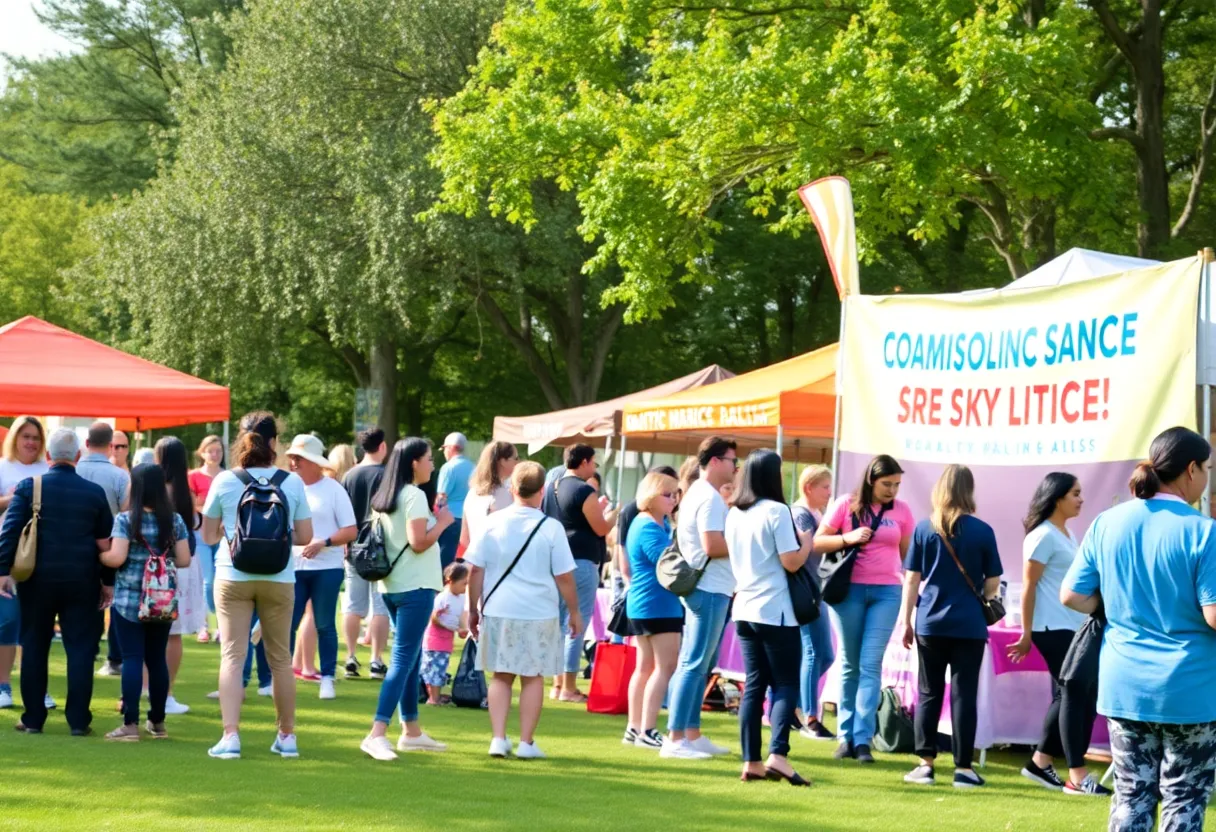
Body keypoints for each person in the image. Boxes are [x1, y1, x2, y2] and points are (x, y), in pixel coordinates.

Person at [1062, 426, 1216, 828]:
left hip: (1125, 683)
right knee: (1183, 797)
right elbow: (1213, 613)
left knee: (1130, 795)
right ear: (1190, 470)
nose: (1207, 477)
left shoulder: (1107, 522)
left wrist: (1115, 606)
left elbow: (1072, 596)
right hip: (1190, 687)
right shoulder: (1203, 531)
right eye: (1208, 468)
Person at [201, 411, 313, 760]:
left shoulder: (224, 480)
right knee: (280, 659)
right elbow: (306, 536)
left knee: (233, 655)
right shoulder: (292, 482)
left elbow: (206, 534)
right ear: (275, 444)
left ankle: (231, 736)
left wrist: (231, 533)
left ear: (240, 441)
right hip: (279, 577)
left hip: (232, 575)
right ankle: (287, 736)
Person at [465, 461, 582, 759]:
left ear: (513, 489)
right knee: (532, 677)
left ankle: (498, 738)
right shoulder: (551, 527)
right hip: (539, 610)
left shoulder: (492, 522)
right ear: (541, 491)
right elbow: (565, 576)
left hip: (499, 606)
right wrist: (575, 611)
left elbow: (475, 569)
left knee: (501, 676)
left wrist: (472, 609)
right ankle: (527, 742)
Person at [0, 428, 113, 736]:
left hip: (37, 580)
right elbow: (106, 545)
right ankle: (78, 721)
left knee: (34, 646)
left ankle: (33, 718)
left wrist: (2, 572)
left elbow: (9, 532)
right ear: (78, 456)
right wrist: (108, 582)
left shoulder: (29, 486)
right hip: (82, 581)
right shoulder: (94, 492)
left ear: (48, 456)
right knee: (80, 649)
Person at [897, 465, 1002, 789]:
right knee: (963, 694)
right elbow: (993, 583)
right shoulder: (983, 530)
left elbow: (912, 578)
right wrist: (978, 595)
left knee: (928, 693)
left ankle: (925, 764)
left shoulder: (924, 529)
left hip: (930, 620)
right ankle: (964, 768)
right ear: (968, 490)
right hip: (969, 624)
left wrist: (905, 620)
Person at [1008, 473, 1108, 795]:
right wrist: (1026, 633)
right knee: (1074, 694)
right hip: (1050, 628)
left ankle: (1039, 762)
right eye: (1075, 494)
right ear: (1057, 497)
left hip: (1072, 625)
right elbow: (1029, 587)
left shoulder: (1066, 533)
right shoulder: (1042, 536)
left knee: (1073, 695)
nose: (1081, 499)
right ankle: (1077, 775)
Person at [815, 454, 915, 763]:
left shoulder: (902, 511)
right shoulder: (846, 504)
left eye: (897, 485)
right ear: (872, 479)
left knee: (871, 664)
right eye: (887, 484)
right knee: (849, 663)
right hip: (848, 591)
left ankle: (862, 739)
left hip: (887, 592)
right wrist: (848, 537)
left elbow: (906, 556)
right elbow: (818, 542)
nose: (893, 491)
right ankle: (845, 735)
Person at [360, 437, 454, 761]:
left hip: (393, 586)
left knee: (411, 659)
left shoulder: (387, 494)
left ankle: (411, 730)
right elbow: (417, 542)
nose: (432, 464)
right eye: (428, 458)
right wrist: (441, 523)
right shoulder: (413, 494)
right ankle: (377, 732)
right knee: (402, 661)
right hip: (414, 588)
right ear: (414, 462)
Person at [727, 449, 813, 786]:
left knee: (753, 686)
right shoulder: (777, 511)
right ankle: (778, 754)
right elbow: (791, 561)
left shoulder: (734, 512)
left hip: (744, 607)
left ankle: (752, 760)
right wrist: (807, 543)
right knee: (786, 683)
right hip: (774, 609)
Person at [101, 463, 192, 741]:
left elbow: (116, 558)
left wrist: (101, 555)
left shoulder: (127, 520)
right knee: (156, 660)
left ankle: (130, 725)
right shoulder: (174, 520)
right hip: (161, 601)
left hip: (130, 600)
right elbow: (185, 559)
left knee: (131, 659)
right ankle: (158, 722)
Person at [622, 471, 704, 757]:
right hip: (656, 603)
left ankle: (636, 727)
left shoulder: (648, 523)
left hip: (647, 602)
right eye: (668, 495)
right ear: (652, 496)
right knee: (664, 667)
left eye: (675, 495)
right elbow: (668, 563)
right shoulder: (649, 527)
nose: (673, 500)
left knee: (645, 667)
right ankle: (646, 729)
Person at [666, 437, 737, 756]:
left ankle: (690, 733)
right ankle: (676, 737)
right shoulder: (707, 497)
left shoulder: (700, 493)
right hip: (708, 587)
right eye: (733, 460)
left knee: (697, 663)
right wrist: (743, 541)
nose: (736, 466)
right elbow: (713, 546)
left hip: (708, 587)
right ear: (716, 461)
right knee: (694, 664)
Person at [285, 434, 357, 701]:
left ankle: (327, 677)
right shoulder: (288, 487)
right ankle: (282, 677)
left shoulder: (333, 489)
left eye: (299, 459)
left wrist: (323, 542)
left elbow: (350, 530)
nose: (293, 463)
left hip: (327, 567)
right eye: (292, 458)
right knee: (288, 624)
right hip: (293, 566)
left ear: (315, 462)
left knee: (325, 623)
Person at [542, 443, 612, 702]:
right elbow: (601, 527)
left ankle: (558, 683)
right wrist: (614, 516)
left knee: (560, 622)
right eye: (593, 463)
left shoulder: (552, 487)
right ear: (583, 462)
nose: (594, 468)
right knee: (576, 622)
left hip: (556, 559)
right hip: (581, 561)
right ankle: (569, 687)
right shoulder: (584, 490)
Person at [0, 416, 49, 711]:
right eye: (25, 436)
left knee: (37, 626)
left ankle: (37, 688)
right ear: (15, 438)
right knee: (7, 622)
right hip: (7, 556)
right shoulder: (3, 467)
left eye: (35, 437)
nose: (30, 442)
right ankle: (3, 685)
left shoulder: (47, 470)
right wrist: (14, 497)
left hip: (40, 557)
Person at [155, 437, 204, 716]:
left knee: (151, 632)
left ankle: (146, 690)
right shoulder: (186, 492)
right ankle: (168, 692)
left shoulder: (155, 488)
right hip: (184, 563)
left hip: (156, 564)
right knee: (173, 635)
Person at [78, 421, 131, 678]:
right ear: (110, 446)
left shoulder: (74, 469)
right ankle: (111, 658)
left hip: (74, 547)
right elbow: (126, 515)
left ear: (87, 443)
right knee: (110, 604)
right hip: (109, 549)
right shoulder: (121, 476)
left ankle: (83, 655)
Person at [341, 428, 389, 680]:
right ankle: (376, 659)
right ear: (382, 446)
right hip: (381, 547)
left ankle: (350, 656)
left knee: (353, 603)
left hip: (353, 545)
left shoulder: (350, 475)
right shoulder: (387, 476)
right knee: (380, 606)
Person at [792, 464, 835, 740]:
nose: (829, 493)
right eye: (825, 487)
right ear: (809, 488)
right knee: (812, 653)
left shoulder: (815, 514)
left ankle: (792, 706)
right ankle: (809, 716)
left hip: (817, 593)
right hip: (806, 593)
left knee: (824, 655)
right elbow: (806, 552)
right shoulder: (801, 515)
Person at [189, 434, 224, 644]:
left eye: (218, 450)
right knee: (207, 581)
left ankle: (221, 626)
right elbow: (192, 503)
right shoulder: (193, 476)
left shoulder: (227, 476)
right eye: (211, 450)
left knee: (222, 581)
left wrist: (206, 507)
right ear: (202, 453)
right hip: (201, 532)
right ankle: (203, 625)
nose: (215, 454)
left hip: (222, 533)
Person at [422, 562, 470, 705]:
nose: (465, 587)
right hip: (434, 640)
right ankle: (433, 698)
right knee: (433, 669)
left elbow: (462, 615)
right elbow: (434, 618)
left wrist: (463, 628)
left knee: (441, 668)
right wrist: (454, 629)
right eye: (463, 583)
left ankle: (435, 696)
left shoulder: (461, 598)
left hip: (446, 641)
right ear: (450, 581)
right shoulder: (442, 597)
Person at [459, 441, 518, 552]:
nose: (517, 462)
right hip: (497, 562)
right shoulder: (504, 494)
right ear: (503, 461)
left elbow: (464, 539)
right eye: (515, 458)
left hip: (474, 557)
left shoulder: (472, 493)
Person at [436, 432, 475, 568]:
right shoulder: (474, 467)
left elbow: (442, 497)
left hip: (450, 519)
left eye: (445, 448)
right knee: (464, 558)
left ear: (452, 448)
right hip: (470, 519)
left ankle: (443, 587)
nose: (444, 452)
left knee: (445, 559)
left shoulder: (448, 468)